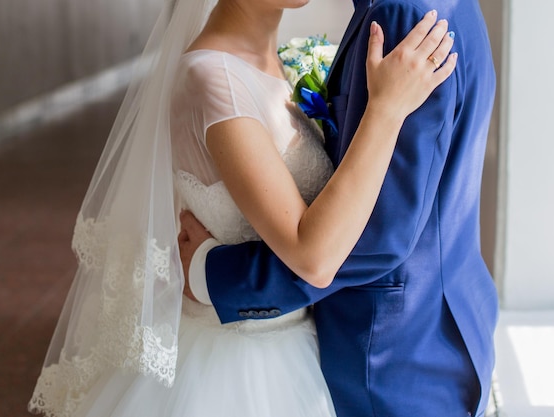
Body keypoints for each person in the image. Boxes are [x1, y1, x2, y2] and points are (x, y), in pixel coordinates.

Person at [28, 0, 456, 416]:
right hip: (238, 366)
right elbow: (314, 256)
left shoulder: (278, 60)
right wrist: (385, 109)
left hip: (298, 344)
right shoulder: (214, 80)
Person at [179, 0, 500, 417]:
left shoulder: (400, 15)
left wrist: (215, 276)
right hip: (434, 323)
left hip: (390, 351)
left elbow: (378, 231)